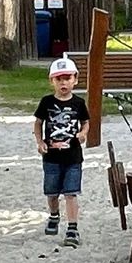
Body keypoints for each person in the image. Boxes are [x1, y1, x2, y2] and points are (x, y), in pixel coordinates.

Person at [33, 56, 90, 246]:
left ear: (75, 79)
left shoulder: (79, 103)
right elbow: (38, 123)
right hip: (51, 157)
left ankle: (72, 228)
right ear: (52, 81)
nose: (63, 82)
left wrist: (83, 133)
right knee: (51, 192)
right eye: (59, 79)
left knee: (71, 193)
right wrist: (40, 142)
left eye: (67, 78)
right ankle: (54, 214)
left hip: (73, 156)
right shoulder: (46, 102)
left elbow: (86, 122)